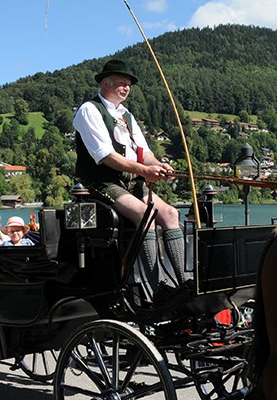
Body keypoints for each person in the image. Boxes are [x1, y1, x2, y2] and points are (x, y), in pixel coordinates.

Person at [72, 59, 190, 300]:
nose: (126, 88)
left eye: (128, 85)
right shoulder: (89, 110)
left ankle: (183, 283)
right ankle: (157, 290)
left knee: (170, 215)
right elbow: (105, 156)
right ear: (106, 83)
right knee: (143, 215)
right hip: (102, 182)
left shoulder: (127, 116)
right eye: (122, 83)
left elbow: (143, 152)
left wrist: (158, 165)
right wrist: (144, 171)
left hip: (132, 182)